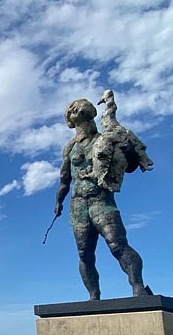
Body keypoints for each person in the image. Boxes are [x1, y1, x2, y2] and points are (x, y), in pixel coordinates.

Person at [54, 94, 151, 300]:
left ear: (89, 114)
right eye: (72, 110)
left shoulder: (105, 139)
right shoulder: (69, 148)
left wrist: (130, 152)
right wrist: (59, 202)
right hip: (78, 204)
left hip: (101, 200)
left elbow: (130, 165)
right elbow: (64, 178)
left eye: (78, 109)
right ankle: (94, 297)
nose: (75, 112)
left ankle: (138, 287)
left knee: (117, 245)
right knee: (84, 254)